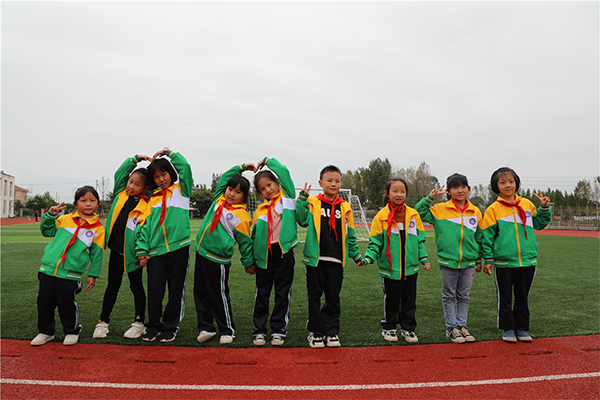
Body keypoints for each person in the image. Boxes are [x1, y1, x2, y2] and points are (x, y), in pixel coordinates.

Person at [296, 165, 364, 348]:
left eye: (337, 181)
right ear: (321, 183)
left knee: (333, 297)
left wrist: (355, 255)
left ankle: (331, 331)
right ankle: (315, 333)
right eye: (329, 180)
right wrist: (301, 199)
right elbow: (301, 220)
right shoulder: (313, 203)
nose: (334, 184)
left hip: (336, 261)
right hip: (316, 260)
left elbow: (350, 234)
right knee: (314, 297)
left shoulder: (345, 207)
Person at [481, 167, 551, 343]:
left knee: (522, 295)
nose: (508, 185)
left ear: (516, 183)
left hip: (527, 260)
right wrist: (488, 260)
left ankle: (521, 328)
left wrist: (543, 208)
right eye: (502, 182)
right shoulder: (493, 209)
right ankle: (508, 329)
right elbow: (487, 237)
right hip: (504, 262)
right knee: (505, 296)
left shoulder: (527, 205)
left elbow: (539, 224)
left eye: (511, 181)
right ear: (496, 186)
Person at [31, 186, 105, 346]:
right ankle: (46, 332)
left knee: (66, 303)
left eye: (92, 200)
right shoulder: (64, 219)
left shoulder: (97, 228)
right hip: (48, 269)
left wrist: (93, 274)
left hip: (71, 274)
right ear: (75, 203)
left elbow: (97, 254)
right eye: (83, 200)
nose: (88, 204)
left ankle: (71, 331)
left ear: (98, 203)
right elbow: (47, 231)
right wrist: (50, 215)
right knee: (44, 302)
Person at [415, 173, 482, 344]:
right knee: (449, 295)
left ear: (469, 189)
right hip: (448, 261)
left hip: (468, 262)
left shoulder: (475, 211)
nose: (459, 190)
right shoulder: (439, 210)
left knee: (464, 296)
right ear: (449, 191)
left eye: (462, 186)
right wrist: (430, 198)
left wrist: (480, 259)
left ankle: (462, 326)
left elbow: (479, 237)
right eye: (455, 187)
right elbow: (416, 213)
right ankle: (451, 328)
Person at [193, 163, 256, 345]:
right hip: (201, 253)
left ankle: (227, 329)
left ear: (244, 196)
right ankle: (206, 327)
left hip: (218, 260)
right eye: (230, 189)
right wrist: (241, 167)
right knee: (200, 292)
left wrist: (248, 263)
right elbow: (223, 179)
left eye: (237, 192)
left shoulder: (242, 216)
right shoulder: (218, 200)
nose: (231, 194)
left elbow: (245, 244)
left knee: (218, 294)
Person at [136, 148, 193, 343]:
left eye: (164, 174)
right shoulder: (152, 199)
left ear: (171, 173)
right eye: (156, 176)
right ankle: (153, 326)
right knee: (155, 290)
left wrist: (169, 153)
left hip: (179, 248)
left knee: (176, 289)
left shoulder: (182, 190)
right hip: (155, 252)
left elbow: (184, 166)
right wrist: (142, 250)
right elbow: (143, 227)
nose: (161, 179)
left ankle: (170, 326)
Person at [363, 178, 430, 344]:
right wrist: (368, 257)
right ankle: (389, 327)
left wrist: (424, 258)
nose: (399, 194)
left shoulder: (413, 215)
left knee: (409, 300)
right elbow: (375, 242)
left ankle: (408, 328)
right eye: (395, 191)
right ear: (387, 194)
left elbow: (419, 240)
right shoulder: (381, 217)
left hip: (410, 268)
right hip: (390, 269)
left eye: (402, 191)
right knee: (392, 300)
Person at [93, 155, 151, 340]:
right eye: (130, 182)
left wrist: (141, 252)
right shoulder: (120, 194)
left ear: (145, 188)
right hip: (116, 252)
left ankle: (139, 323)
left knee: (136, 287)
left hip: (132, 255)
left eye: (137, 184)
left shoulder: (145, 206)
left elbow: (143, 231)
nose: (131, 186)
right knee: (112, 286)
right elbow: (120, 173)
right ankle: (103, 322)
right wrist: (134, 159)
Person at [250, 157, 299, 347]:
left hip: (283, 252)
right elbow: (255, 236)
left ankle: (278, 329)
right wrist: (252, 260)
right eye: (262, 189)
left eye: (269, 184)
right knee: (262, 293)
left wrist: (267, 160)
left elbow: (284, 171)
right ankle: (259, 330)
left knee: (282, 292)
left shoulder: (287, 199)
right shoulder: (260, 210)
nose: (267, 190)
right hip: (264, 255)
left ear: (278, 183)